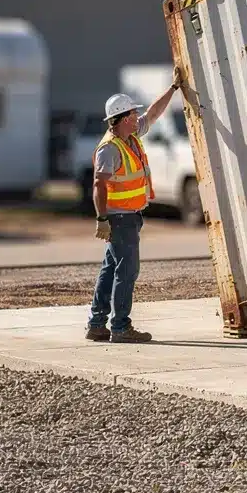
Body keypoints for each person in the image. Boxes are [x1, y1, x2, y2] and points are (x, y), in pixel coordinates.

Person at [88, 70, 184, 342]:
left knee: (111, 270)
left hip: (128, 217)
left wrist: (173, 88)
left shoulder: (131, 136)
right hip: (120, 220)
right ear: (119, 120)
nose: (136, 118)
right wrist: (102, 219)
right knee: (127, 271)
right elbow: (98, 185)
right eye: (131, 115)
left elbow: (153, 114)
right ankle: (120, 327)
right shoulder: (110, 148)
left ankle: (97, 324)